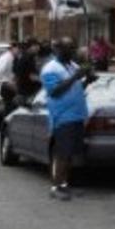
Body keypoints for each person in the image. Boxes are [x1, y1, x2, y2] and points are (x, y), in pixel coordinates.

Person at [39, 37, 92, 202]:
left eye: (73, 48)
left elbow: (75, 88)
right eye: (68, 48)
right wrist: (75, 77)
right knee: (62, 153)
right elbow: (54, 91)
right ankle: (55, 187)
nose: (72, 51)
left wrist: (87, 81)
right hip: (62, 116)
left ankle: (64, 184)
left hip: (77, 115)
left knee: (70, 154)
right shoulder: (50, 69)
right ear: (58, 50)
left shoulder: (72, 65)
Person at [0, 40, 19, 115]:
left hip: (10, 85)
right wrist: (7, 82)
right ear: (13, 48)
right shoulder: (6, 58)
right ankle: (7, 121)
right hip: (7, 86)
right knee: (9, 107)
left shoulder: (12, 57)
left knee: (11, 107)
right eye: (18, 48)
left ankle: (9, 119)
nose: (19, 51)